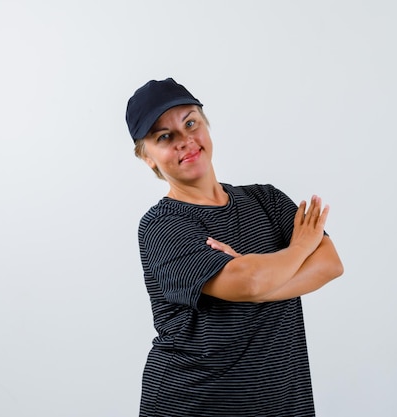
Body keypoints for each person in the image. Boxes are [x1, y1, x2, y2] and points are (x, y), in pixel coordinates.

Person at [125, 77, 344, 417]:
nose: (185, 140)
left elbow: (330, 264)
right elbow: (251, 282)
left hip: (281, 402)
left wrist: (260, 280)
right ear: (148, 158)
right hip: (195, 405)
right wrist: (298, 249)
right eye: (165, 136)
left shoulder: (266, 200)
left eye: (190, 123)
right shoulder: (162, 227)